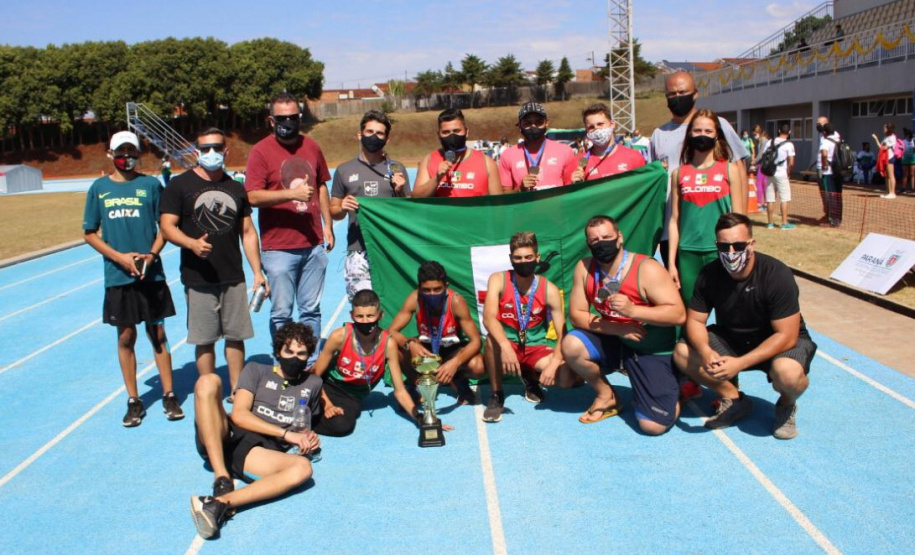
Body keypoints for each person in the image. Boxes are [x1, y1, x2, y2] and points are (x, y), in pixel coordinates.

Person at [673, 213, 817, 439]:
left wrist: (739, 364)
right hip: (733, 339)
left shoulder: (776, 274)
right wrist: (705, 351)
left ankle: (786, 404)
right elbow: (695, 320)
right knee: (683, 352)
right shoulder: (709, 274)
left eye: (738, 245)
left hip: (778, 342)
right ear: (716, 245)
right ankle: (735, 400)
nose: (731, 252)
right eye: (724, 246)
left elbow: (787, 336)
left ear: (751, 244)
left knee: (788, 375)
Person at [83, 130, 182, 427]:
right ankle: (134, 399)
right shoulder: (99, 188)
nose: (127, 157)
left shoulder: (150, 185)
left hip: (150, 276)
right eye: (121, 151)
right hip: (118, 276)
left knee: (158, 334)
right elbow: (89, 233)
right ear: (110, 154)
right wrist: (120, 257)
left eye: (132, 151)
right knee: (126, 335)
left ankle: (169, 394)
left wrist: (150, 256)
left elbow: (165, 227)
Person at [160, 128, 267, 396]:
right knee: (204, 340)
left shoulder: (235, 188)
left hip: (233, 276)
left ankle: (237, 390)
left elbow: (248, 232)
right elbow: (167, 227)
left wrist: (257, 272)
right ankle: (209, 392)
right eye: (205, 148)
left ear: (225, 151)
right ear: (196, 151)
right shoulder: (179, 185)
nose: (211, 153)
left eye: (217, 148)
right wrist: (191, 244)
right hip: (199, 279)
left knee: (236, 337)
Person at [190, 322, 322, 539]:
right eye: (288, 351)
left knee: (303, 468)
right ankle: (221, 477)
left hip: (258, 451)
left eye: (301, 353)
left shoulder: (314, 383)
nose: (294, 357)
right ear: (278, 350)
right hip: (227, 434)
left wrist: (309, 437)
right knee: (208, 381)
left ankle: (218, 503)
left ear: (308, 356)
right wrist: (287, 434)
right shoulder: (256, 370)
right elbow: (239, 415)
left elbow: (305, 423)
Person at [561, 215, 686, 435]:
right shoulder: (585, 267)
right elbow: (577, 315)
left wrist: (633, 311)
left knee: (653, 427)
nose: (602, 243)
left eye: (607, 237)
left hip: (651, 347)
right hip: (616, 339)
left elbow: (678, 314)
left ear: (620, 238)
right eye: (595, 240)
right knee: (572, 345)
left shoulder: (647, 268)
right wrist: (618, 328)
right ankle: (606, 395)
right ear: (588, 244)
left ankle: (676, 384)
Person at [245, 92, 334, 341]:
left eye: (293, 117)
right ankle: (283, 367)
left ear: (300, 117)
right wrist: (291, 193)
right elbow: (252, 196)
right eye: (282, 118)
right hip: (279, 249)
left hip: (313, 245)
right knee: (282, 313)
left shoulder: (312, 146)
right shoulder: (260, 152)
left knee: (311, 311)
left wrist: (328, 225)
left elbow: (322, 186)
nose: (288, 122)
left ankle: (311, 365)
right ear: (271, 121)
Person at [649, 71, 748, 269]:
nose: (678, 97)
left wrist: (741, 224)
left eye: (682, 92)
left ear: (695, 94)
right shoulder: (658, 135)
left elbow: (740, 171)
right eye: (672, 94)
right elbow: (654, 181)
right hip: (675, 232)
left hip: (715, 229)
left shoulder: (718, 125)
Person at [480, 232, 576, 423]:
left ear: (537, 258)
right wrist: (506, 346)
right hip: (507, 343)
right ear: (511, 259)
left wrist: (555, 363)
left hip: (535, 346)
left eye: (528, 257)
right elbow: (488, 318)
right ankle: (497, 394)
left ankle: (530, 376)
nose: (523, 261)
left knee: (566, 379)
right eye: (518, 258)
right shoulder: (498, 279)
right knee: (492, 340)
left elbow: (562, 333)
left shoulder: (549, 289)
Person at [311, 290, 428, 436]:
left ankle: (305, 416)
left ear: (380, 315)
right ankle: (296, 422)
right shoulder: (339, 336)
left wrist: (419, 418)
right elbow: (314, 375)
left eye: (370, 316)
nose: (365, 321)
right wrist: (326, 404)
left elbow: (399, 390)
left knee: (342, 426)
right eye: (359, 316)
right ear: (352, 316)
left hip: (352, 396)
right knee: (301, 400)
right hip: (327, 386)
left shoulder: (387, 344)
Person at [668, 109, 744, 308]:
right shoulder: (679, 174)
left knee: (728, 308)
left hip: (721, 251)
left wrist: (740, 253)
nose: (703, 135)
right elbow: (674, 220)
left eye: (708, 131)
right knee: (690, 310)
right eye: (697, 130)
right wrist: (671, 263)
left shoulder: (730, 169)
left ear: (717, 135)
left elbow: (740, 219)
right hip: (688, 252)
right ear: (689, 134)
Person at [331, 110, 410, 299]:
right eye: (369, 132)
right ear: (360, 134)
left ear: (387, 139)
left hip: (390, 247)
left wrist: (400, 190)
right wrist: (343, 206)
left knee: (393, 302)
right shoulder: (344, 170)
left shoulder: (397, 169)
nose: (374, 136)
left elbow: (408, 211)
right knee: (363, 308)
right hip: (358, 249)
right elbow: (333, 210)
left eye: (380, 133)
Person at [389, 261, 485, 405]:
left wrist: (455, 362)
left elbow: (476, 341)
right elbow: (391, 331)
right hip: (425, 351)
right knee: (395, 349)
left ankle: (458, 379)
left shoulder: (456, 302)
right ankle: (416, 384)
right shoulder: (415, 299)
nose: (432, 294)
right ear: (419, 288)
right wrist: (409, 344)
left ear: (446, 286)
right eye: (426, 290)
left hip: (451, 350)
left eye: (437, 289)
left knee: (478, 366)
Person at [413, 108, 502, 198]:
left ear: (466, 132)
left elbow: (498, 205)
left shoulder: (487, 163)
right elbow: (416, 198)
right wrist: (437, 178)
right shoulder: (429, 160)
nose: (452, 136)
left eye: (456, 131)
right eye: (446, 132)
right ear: (439, 134)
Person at [499, 102, 578, 192]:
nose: (533, 126)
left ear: (547, 123)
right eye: (527, 123)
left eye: (539, 122)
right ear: (519, 125)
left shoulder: (565, 151)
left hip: (557, 205)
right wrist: (520, 189)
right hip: (526, 205)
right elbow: (505, 195)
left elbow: (572, 189)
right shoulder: (508, 155)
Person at [570, 103, 645, 184]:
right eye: (591, 127)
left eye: (600, 124)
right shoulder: (580, 161)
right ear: (586, 130)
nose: (597, 130)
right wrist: (574, 185)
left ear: (612, 124)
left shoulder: (634, 157)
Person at [766, 123, 796, 229]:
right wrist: (789, 172)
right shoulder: (789, 145)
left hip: (770, 172)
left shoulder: (770, 142)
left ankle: (770, 223)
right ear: (789, 132)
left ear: (778, 131)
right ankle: (784, 223)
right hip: (782, 173)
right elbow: (791, 162)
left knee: (770, 198)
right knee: (785, 198)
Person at [817, 118, 844, 225]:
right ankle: (838, 218)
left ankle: (832, 219)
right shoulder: (839, 140)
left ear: (825, 132)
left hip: (828, 172)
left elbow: (824, 154)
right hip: (838, 171)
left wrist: (824, 165)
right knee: (838, 195)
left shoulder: (826, 141)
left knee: (830, 195)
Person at [878, 123, 898, 199]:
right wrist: (877, 140)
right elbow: (881, 146)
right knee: (886, 176)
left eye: (885, 128)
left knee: (891, 175)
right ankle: (888, 191)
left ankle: (892, 193)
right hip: (884, 158)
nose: (884, 130)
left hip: (890, 157)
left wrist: (880, 143)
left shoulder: (893, 137)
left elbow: (884, 147)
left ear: (888, 129)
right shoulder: (886, 137)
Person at [752, 124, 769, 207]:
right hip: (762, 164)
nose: (754, 136)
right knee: (763, 183)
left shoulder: (763, 140)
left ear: (759, 132)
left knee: (760, 183)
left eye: (755, 134)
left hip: (763, 165)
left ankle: (760, 202)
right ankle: (765, 202)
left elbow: (761, 153)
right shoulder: (762, 140)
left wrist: (755, 161)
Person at [900, 129, 915, 194]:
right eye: (910, 135)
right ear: (907, 135)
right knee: (905, 174)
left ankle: (913, 188)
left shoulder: (913, 141)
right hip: (905, 159)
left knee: (912, 174)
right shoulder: (903, 142)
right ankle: (904, 188)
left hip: (912, 159)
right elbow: (901, 150)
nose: (911, 137)